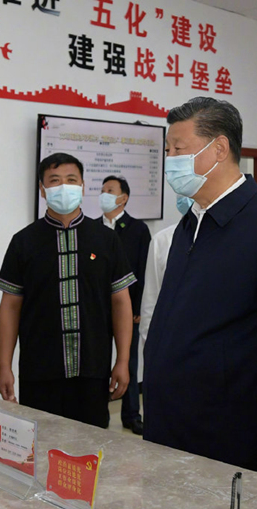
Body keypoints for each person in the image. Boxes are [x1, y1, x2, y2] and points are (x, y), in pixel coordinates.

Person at [144, 97, 257, 474]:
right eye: (168, 150)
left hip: (227, 428)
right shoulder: (191, 222)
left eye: (178, 149)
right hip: (173, 419)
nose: (170, 159)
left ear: (219, 149)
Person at [0, 153, 134, 429]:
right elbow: (9, 307)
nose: (64, 187)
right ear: (42, 189)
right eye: (54, 181)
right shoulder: (24, 242)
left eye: (71, 180)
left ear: (82, 186)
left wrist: (123, 360)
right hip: (39, 370)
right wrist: (4, 366)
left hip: (93, 369)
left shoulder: (106, 239)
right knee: (42, 443)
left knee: (91, 446)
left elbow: (121, 303)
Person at [100, 175, 151, 435]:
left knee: (128, 361)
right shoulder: (93, 227)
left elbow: (143, 270)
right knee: (98, 361)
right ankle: (99, 412)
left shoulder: (138, 229)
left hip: (127, 309)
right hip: (98, 309)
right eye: (102, 190)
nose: (104, 194)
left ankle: (131, 415)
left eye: (110, 190)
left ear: (123, 198)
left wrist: (138, 307)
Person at [139, 195, 193, 355]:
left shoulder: (224, 237)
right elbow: (151, 301)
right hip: (170, 344)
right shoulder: (161, 240)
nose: (185, 197)